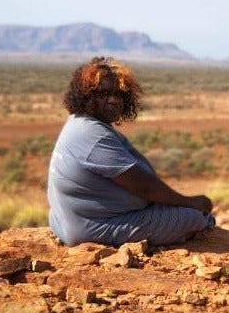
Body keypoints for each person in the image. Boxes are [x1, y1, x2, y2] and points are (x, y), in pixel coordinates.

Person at [48, 56, 214, 247]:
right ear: (86, 96)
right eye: (103, 94)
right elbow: (145, 187)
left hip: (72, 220)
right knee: (194, 217)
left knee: (174, 209)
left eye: (119, 94)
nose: (113, 100)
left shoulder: (81, 124)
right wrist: (190, 203)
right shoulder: (93, 135)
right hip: (94, 227)